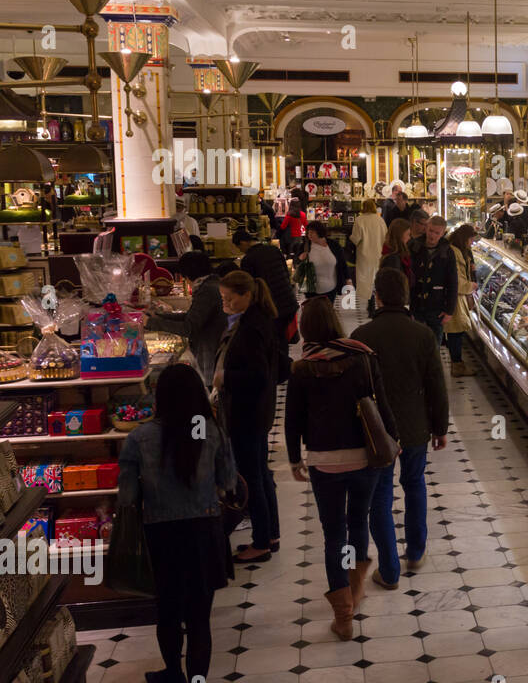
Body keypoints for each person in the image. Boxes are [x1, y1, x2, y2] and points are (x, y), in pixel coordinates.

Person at [118, 363, 237, 683]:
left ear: (159, 396)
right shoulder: (212, 431)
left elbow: (127, 498)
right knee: (200, 619)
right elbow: (228, 481)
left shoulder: (138, 438)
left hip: (161, 535)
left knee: (168, 611)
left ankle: (173, 671)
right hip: (204, 533)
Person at [285, 298, 399, 640]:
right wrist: (394, 441)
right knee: (357, 523)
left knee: (333, 534)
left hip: (324, 463)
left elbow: (293, 421)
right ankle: (354, 588)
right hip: (364, 458)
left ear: (305, 328)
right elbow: (382, 404)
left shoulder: (303, 368)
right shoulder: (363, 357)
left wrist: (294, 459)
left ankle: (343, 616)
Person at [352, 268, 448, 586]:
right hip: (415, 426)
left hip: (377, 431)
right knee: (415, 484)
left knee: (380, 496)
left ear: (377, 295)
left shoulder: (362, 337)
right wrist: (440, 427)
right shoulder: (422, 334)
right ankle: (417, 552)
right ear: (406, 296)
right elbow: (436, 384)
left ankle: (390, 570)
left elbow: (355, 391)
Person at [214, 270, 280, 564]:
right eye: (222, 298)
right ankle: (271, 534)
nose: (225, 303)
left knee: (251, 476)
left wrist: (225, 377)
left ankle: (262, 542)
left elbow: (258, 376)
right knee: (261, 473)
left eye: (229, 298)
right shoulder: (257, 318)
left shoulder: (252, 327)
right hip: (257, 411)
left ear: (246, 295)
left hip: (248, 413)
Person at [146, 251, 224, 387]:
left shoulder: (206, 291)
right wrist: (159, 316)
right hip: (214, 353)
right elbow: (191, 316)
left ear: (187, 275)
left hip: (212, 355)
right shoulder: (211, 285)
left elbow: (189, 327)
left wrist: (151, 323)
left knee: (215, 397)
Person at [233, 227, 299, 352]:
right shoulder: (273, 250)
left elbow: (251, 287)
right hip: (289, 301)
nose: (240, 251)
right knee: (282, 339)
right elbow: (286, 272)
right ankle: (284, 365)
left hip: (273, 306)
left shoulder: (248, 259)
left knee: (273, 342)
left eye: (239, 248)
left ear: (242, 243)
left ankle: (277, 367)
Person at [407, 213, 458, 343]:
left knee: (434, 345)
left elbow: (452, 281)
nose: (432, 235)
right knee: (415, 344)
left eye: (437, 233)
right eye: (430, 231)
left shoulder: (447, 252)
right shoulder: (414, 246)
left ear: (442, 233)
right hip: (415, 303)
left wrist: (449, 310)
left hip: (437, 306)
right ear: (426, 228)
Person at [443, 224, 478, 376]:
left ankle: (457, 363)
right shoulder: (454, 253)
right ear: (464, 238)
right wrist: (472, 286)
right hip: (455, 298)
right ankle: (457, 366)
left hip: (457, 297)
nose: (471, 243)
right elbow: (457, 282)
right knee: (455, 332)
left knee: (456, 331)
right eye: (471, 239)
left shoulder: (458, 250)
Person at [297, 220, 346, 302]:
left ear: (319, 232)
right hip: (311, 290)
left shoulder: (333, 245)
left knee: (327, 312)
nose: (309, 235)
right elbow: (297, 262)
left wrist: (348, 279)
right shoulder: (305, 246)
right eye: (308, 233)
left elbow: (342, 263)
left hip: (331, 289)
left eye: (312, 233)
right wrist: (300, 258)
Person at [350, 198, 386, 306]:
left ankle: (370, 302)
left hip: (364, 254)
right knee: (377, 278)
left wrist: (350, 238)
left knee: (365, 279)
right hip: (378, 253)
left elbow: (356, 239)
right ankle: (377, 300)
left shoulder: (359, 220)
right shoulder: (380, 220)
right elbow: (386, 237)